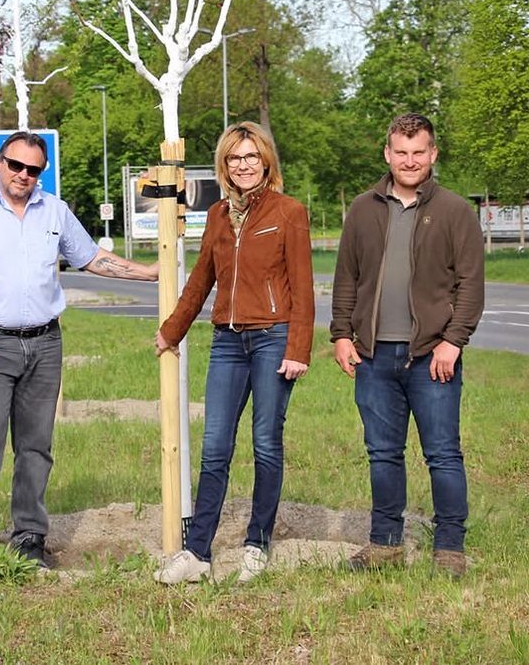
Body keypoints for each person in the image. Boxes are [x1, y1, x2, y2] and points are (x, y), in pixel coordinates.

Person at [0, 130, 158, 571]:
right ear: (0, 163)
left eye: (33, 169)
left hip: (45, 343)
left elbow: (91, 258)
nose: (23, 175)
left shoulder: (55, 211)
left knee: (36, 446)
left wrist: (149, 272)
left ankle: (29, 536)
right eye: (16, 165)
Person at [153, 122, 315, 584]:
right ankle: (197, 553)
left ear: (266, 161)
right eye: (234, 158)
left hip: (272, 338)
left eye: (251, 156)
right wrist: (172, 330)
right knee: (215, 447)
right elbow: (201, 279)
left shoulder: (289, 212)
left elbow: (303, 287)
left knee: (265, 442)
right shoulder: (218, 215)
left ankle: (256, 544)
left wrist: (298, 348)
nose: (243, 165)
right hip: (227, 342)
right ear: (224, 165)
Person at [331, 112, 484, 578]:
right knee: (382, 453)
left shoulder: (455, 211)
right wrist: (341, 334)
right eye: (401, 152)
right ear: (388, 154)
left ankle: (450, 549)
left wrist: (452, 342)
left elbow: (471, 285)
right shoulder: (363, 209)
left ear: (433, 154)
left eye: (419, 152)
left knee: (442, 453)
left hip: (432, 357)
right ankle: (385, 544)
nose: (410, 160)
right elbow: (347, 278)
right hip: (374, 356)